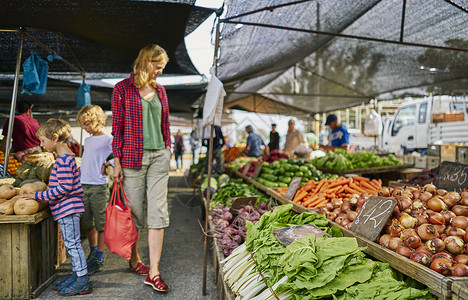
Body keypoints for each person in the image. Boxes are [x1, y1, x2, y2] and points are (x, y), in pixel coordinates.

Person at [111, 44, 171, 292]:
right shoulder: (122, 89)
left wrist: (168, 147)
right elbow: (117, 128)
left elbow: (165, 123)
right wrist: (116, 161)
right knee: (135, 213)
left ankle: (154, 271)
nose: (160, 72)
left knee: (157, 212)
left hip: (159, 157)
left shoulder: (161, 91)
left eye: (162, 68)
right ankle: (135, 258)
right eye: (157, 67)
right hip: (131, 158)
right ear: (146, 62)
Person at [21, 119, 91, 296]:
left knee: (73, 244)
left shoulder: (64, 161)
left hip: (68, 209)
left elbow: (64, 187)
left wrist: (38, 195)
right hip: (66, 209)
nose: (41, 145)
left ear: (54, 137)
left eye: (43, 141)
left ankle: (82, 280)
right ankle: (77, 275)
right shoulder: (64, 158)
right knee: (71, 243)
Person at [76, 105, 114, 275]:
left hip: (99, 186)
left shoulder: (108, 140)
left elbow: (121, 154)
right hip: (83, 185)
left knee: (101, 223)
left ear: (99, 121)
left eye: (87, 123)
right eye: (83, 124)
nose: (84, 127)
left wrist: (108, 164)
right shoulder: (88, 140)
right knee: (87, 222)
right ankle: (92, 251)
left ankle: (99, 255)